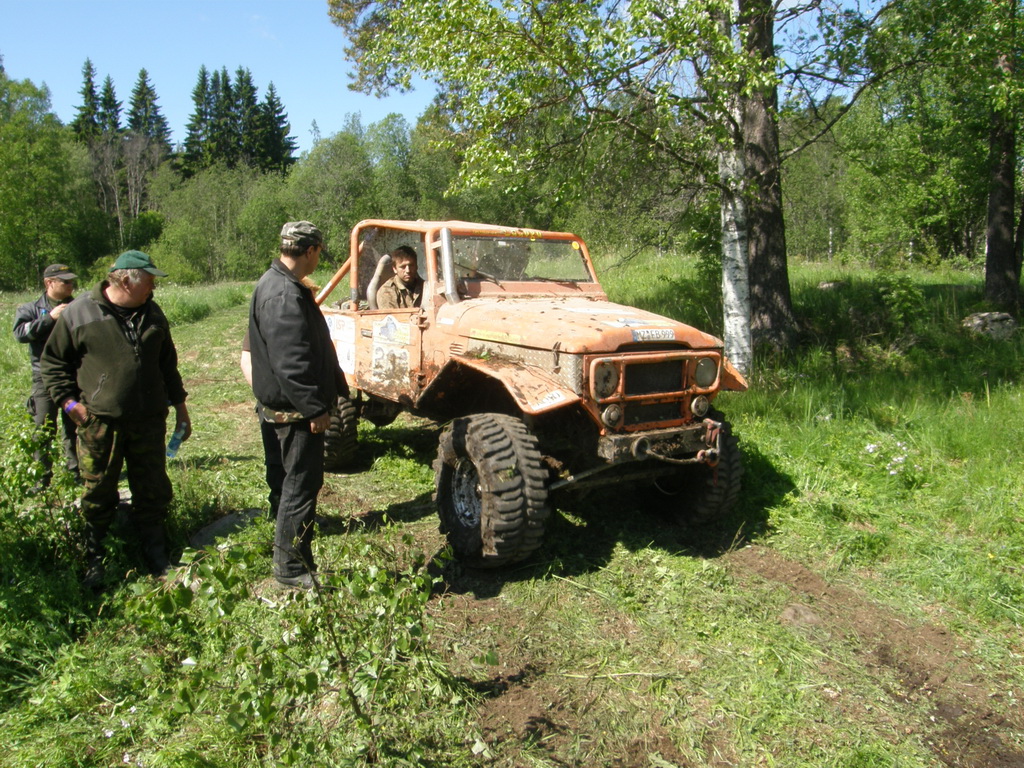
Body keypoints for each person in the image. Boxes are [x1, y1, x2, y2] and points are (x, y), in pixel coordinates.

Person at [41, 250, 191, 586]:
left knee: (152, 489)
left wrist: (180, 407)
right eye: (149, 280)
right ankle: (97, 560)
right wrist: (69, 404)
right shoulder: (80, 313)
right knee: (98, 492)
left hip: (149, 421)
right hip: (99, 424)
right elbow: (53, 364)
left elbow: (168, 365)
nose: (154, 286)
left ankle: (155, 554)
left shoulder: (153, 312)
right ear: (125, 280)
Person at [248, 221, 346, 590]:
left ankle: (283, 548)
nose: (319, 258)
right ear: (310, 251)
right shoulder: (283, 295)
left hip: (285, 408)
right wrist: (315, 409)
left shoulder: (279, 285)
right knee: (301, 485)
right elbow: (292, 363)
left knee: (289, 482)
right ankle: (290, 568)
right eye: (319, 251)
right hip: (294, 413)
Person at [12, 264, 81, 487]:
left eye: (72, 281)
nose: (71, 285)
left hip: (75, 374)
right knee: (43, 427)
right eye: (65, 282)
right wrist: (50, 318)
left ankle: (78, 472)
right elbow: (20, 334)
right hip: (45, 378)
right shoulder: (30, 309)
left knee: (76, 426)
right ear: (49, 283)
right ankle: (41, 480)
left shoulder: (79, 306)